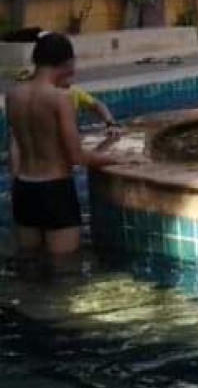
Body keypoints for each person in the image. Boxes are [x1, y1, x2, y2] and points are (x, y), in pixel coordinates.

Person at [6, 33, 128, 268]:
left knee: (28, 262)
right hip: (55, 190)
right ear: (67, 63)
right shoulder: (60, 98)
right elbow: (75, 156)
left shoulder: (13, 95)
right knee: (64, 268)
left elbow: (14, 147)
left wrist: (15, 182)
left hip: (23, 189)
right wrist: (117, 159)